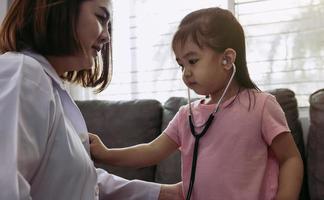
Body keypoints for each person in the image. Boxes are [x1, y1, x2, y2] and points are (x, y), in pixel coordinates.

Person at [89, 7, 304, 200]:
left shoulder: (261, 106)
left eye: (192, 61)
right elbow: (151, 151)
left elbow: (290, 158)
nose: (186, 73)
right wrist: (107, 154)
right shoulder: (187, 116)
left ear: (227, 60)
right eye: (181, 65)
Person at [0, 0, 183, 199]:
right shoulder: (23, 73)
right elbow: (6, 185)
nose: (106, 36)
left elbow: (81, 179)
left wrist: (164, 193)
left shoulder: (47, 87)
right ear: (60, 9)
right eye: (100, 17)